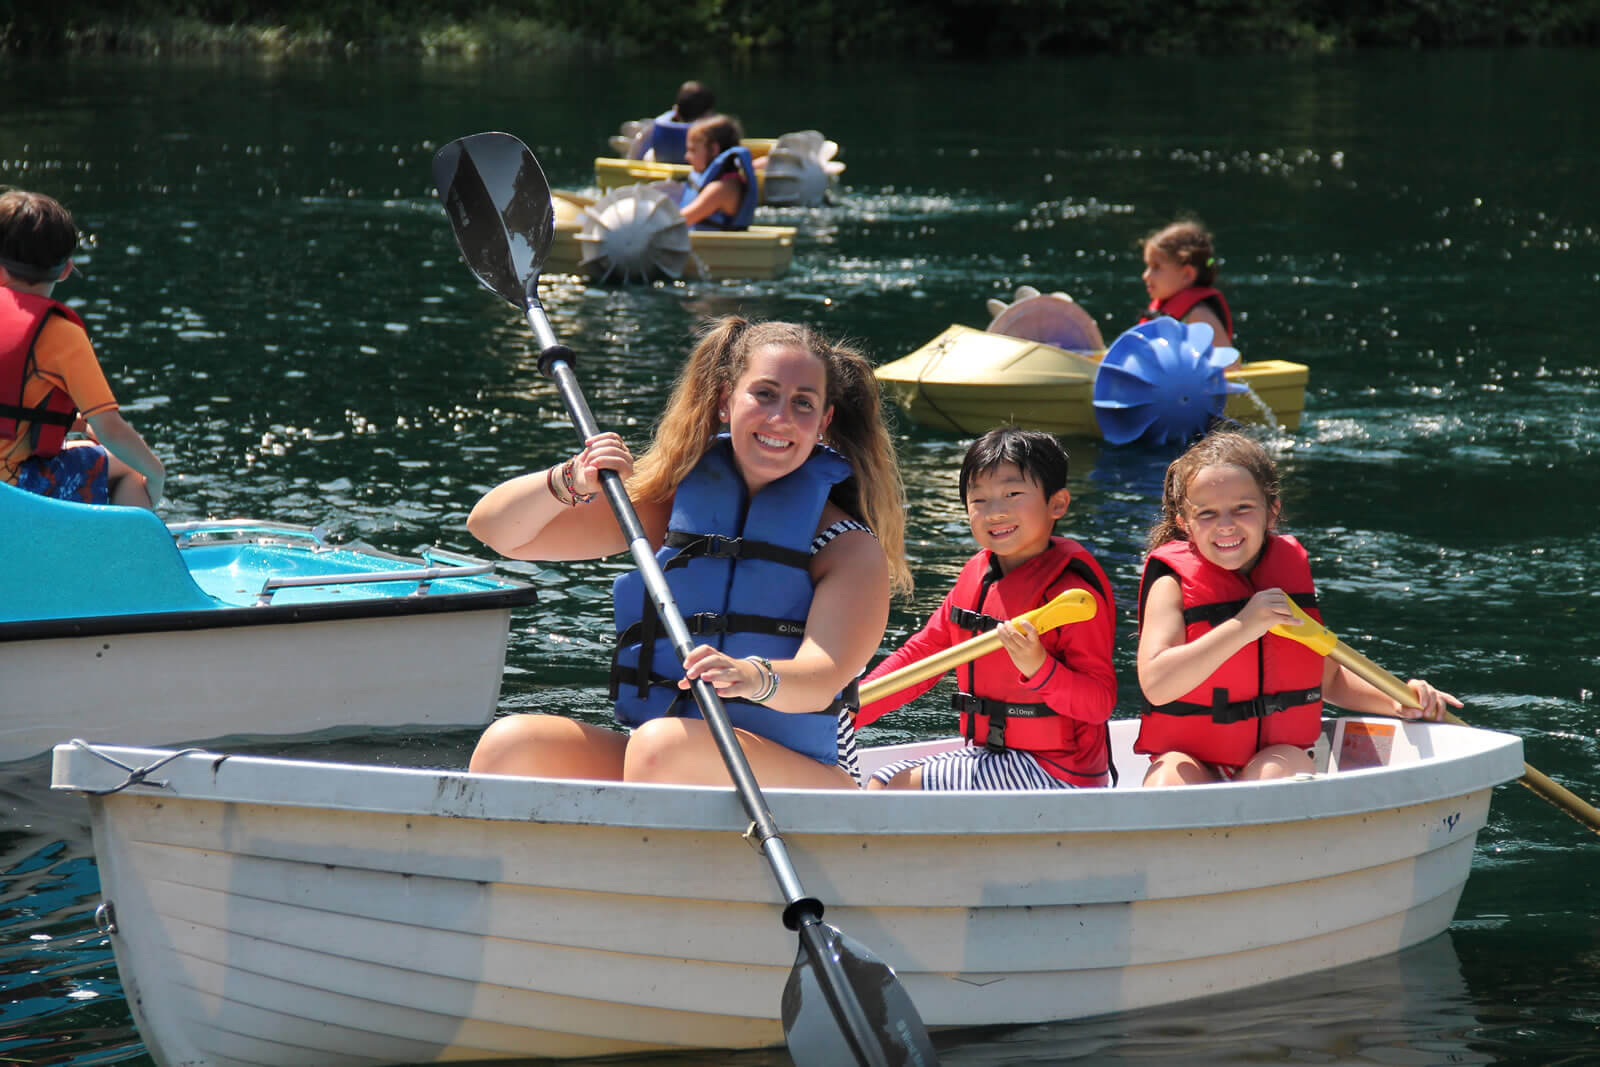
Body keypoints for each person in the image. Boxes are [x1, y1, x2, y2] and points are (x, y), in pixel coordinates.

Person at [466, 316, 912, 789]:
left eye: (802, 403)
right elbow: (496, 530)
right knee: (512, 744)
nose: (780, 417)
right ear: (725, 401)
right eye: (764, 394)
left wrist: (749, 676)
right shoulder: (669, 509)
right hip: (666, 753)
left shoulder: (847, 547)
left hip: (808, 783)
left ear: (824, 423)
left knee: (662, 747)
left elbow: (820, 678)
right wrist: (570, 480)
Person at [1135, 430, 1461, 787]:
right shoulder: (1171, 584)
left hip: (1273, 759)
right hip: (1190, 760)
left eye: (1242, 508)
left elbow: (1331, 678)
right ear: (1185, 523)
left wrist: (1399, 701)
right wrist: (1245, 626)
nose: (1226, 525)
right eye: (1208, 513)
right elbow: (1157, 685)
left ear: (1271, 511)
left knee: (1278, 771)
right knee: (1168, 779)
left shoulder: (1286, 572)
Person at [858, 426, 1118, 791]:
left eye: (1013, 494)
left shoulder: (1072, 597)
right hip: (996, 754)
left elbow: (1099, 705)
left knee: (888, 788)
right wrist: (851, 707)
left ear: (1057, 504)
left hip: (1059, 773)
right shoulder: (976, 576)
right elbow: (923, 656)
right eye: (979, 500)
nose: (995, 512)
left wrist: (1038, 667)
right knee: (870, 774)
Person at [0, 189, 165, 508]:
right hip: (10, 493)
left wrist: (72, 422)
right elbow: (110, 429)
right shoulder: (59, 333)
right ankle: (135, 557)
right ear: (65, 270)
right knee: (130, 468)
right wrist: (156, 473)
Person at [1139, 219, 1235, 355]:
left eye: (1156, 267)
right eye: (1147, 266)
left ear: (1187, 274)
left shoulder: (1199, 315)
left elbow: (1229, 365)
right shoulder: (1161, 309)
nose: (1145, 275)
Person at [678, 114, 758, 231]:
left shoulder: (720, 189)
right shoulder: (727, 182)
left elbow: (678, 222)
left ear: (714, 149)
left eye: (693, 150)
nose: (687, 157)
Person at [626, 80, 716, 165]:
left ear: (676, 110)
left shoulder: (658, 127)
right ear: (707, 115)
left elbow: (640, 142)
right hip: (691, 174)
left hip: (659, 168)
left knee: (650, 153)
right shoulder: (708, 134)